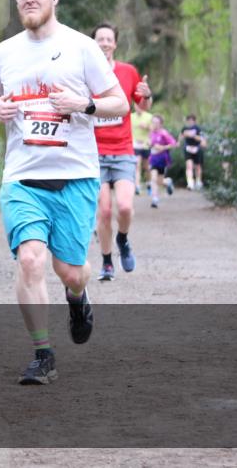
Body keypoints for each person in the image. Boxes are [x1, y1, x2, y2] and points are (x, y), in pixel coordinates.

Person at [0, 0, 128, 385]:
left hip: (75, 176)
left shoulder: (82, 47)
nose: (29, 0)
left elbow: (120, 103)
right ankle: (43, 354)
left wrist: (83, 104)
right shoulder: (5, 52)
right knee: (30, 259)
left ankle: (78, 296)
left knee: (70, 271)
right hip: (22, 178)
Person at [91, 24, 152, 282]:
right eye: (100, 39)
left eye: (109, 39)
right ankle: (107, 262)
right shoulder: (84, 73)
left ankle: (123, 239)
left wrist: (147, 96)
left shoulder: (128, 71)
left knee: (125, 207)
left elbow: (143, 106)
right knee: (104, 212)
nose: (104, 43)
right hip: (94, 154)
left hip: (123, 150)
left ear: (115, 44)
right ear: (93, 43)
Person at [148, 115, 176, 208]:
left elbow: (173, 143)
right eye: (153, 122)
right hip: (153, 159)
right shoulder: (151, 133)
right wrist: (149, 144)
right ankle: (155, 199)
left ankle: (167, 182)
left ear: (161, 124)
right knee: (153, 179)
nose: (154, 124)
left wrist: (162, 147)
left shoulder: (164, 133)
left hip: (162, 160)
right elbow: (149, 144)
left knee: (159, 181)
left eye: (156, 122)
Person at [181, 114, 207, 190]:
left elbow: (202, 139)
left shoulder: (198, 128)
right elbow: (181, 137)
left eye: (191, 120)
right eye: (189, 120)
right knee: (189, 166)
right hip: (188, 149)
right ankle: (190, 183)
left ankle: (198, 182)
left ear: (194, 121)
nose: (190, 121)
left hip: (197, 149)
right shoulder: (184, 128)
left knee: (198, 166)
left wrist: (193, 136)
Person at [131, 108, 154, 195]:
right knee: (137, 165)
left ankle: (149, 184)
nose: (138, 108)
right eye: (136, 105)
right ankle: (137, 186)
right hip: (135, 144)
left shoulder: (149, 116)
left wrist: (147, 127)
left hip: (146, 144)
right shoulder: (131, 116)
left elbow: (154, 129)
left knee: (147, 167)